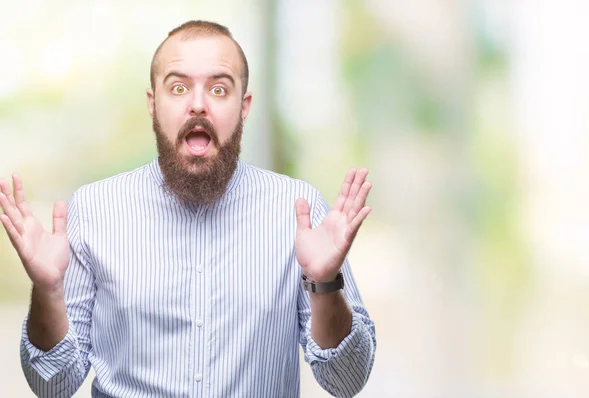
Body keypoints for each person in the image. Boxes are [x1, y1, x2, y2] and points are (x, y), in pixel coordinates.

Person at [0, 20, 376, 398]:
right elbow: (52, 384)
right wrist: (47, 291)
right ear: (153, 104)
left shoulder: (299, 211)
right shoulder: (93, 210)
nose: (198, 104)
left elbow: (347, 381)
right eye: (178, 88)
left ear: (244, 107)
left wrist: (325, 285)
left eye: (218, 89)